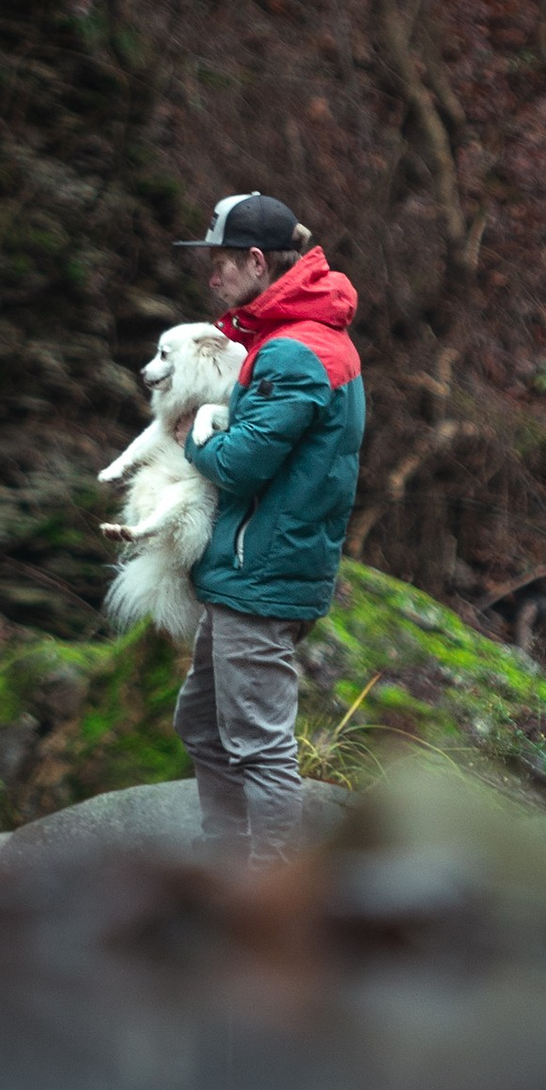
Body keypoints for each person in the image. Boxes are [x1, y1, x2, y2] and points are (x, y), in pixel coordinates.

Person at [172, 193, 365, 862]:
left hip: (262, 576)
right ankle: (227, 864)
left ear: (258, 261)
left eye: (221, 263)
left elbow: (240, 464)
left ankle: (271, 892)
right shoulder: (300, 338)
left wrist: (190, 435)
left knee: (259, 746)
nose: (212, 277)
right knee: (201, 724)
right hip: (254, 569)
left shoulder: (294, 352)